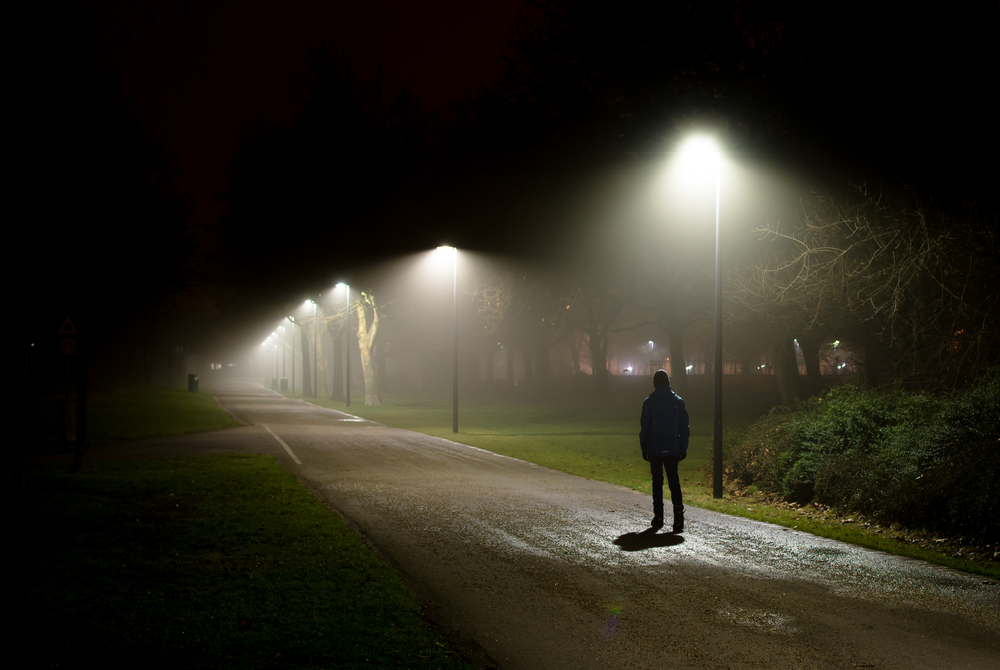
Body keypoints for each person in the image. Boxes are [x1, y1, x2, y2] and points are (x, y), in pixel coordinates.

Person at [639, 369, 690, 532]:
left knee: (657, 482)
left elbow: (644, 427)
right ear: (668, 381)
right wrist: (683, 447)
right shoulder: (678, 402)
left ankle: (659, 516)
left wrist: (644, 447)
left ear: (655, 382)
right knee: (674, 481)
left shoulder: (649, 402)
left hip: (654, 448)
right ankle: (678, 518)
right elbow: (684, 427)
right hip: (673, 447)